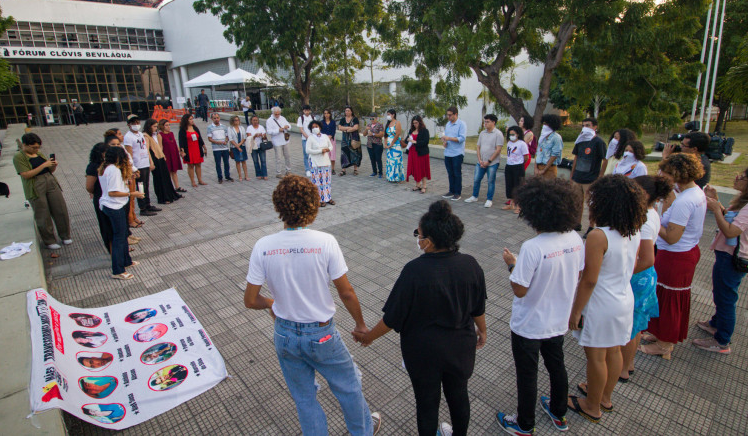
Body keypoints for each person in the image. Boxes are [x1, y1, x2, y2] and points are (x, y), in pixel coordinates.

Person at [244, 175, 382, 435]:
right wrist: (361, 324)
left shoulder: (263, 246)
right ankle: (363, 430)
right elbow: (347, 292)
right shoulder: (325, 242)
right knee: (348, 388)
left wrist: (273, 302)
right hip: (322, 334)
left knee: (304, 398)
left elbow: (250, 300)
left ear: (279, 206)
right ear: (313, 206)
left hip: (284, 334)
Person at [355, 200, 486, 436]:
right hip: (460, 348)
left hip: (423, 352)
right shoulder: (470, 264)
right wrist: (483, 331)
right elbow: (477, 308)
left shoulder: (414, 271)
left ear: (429, 241)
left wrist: (369, 337)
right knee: (459, 396)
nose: (417, 238)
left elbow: (392, 318)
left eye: (419, 234)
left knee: (427, 403)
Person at [496, 177, 583, 436]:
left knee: (528, 375)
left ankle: (524, 424)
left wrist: (513, 265)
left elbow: (520, 289)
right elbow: (575, 275)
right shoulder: (576, 239)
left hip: (529, 325)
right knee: (557, 366)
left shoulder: (533, 248)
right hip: (558, 321)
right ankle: (559, 413)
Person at [567, 175, 646, 424]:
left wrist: (576, 311)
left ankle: (591, 406)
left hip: (601, 304)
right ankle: (604, 397)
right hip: (624, 299)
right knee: (613, 351)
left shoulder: (598, 236)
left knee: (596, 357)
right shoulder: (633, 230)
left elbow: (589, 280)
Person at [694, 168, 748, 354]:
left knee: (726, 299)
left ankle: (722, 341)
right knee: (722, 293)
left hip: (733, 257)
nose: (737, 178)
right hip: (728, 254)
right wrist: (718, 204)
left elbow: (731, 231)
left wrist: (715, 210)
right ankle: (716, 324)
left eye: (743, 178)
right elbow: (732, 220)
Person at [642, 153, 706, 359]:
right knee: (662, 295)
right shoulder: (692, 194)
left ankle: (665, 344)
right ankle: (659, 332)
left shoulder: (685, 201)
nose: (663, 176)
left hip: (677, 256)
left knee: (671, 300)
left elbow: (671, 237)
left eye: (667, 173)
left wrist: (653, 221)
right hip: (679, 253)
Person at [619, 175, 671, 381]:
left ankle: (622, 368)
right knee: (636, 323)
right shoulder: (649, 212)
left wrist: (623, 274)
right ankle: (628, 364)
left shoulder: (646, 220)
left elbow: (648, 258)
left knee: (631, 325)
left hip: (638, 276)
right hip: (642, 275)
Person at [14, 133, 71, 250]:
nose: (36, 149)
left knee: (59, 208)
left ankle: (65, 235)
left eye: (37, 147)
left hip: (49, 181)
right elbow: (25, 175)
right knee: (42, 212)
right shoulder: (19, 157)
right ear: (24, 145)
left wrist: (52, 165)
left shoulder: (38, 154)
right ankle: (49, 240)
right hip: (35, 185)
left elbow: (50, 170)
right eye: (33, 147)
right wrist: (43, 165)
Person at [98, 146, 142, 280]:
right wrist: (131, 193)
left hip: (115, 205)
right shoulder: (114, 170)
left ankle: (126, 261)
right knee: (118, 237)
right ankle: (117, 270)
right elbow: (113, 192)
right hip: (114, 206)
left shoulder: (107, 168)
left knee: (123, 234)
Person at [570, 117, 607, 229]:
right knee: (576, 202)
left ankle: (591, 226)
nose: (585, 128)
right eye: (583, 125)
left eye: (588, 125)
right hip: (577, 177)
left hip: (590, 178)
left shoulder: (598, 142)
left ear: (595, 127)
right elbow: (576, 157)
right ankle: (577, 224)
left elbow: (605, 159)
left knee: (590, 204)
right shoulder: (580, 140)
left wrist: (600, 175)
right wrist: (572, 174)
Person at [123, 115, 161, 217]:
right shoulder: (128, 137)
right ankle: (143, 208)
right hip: (137, 165)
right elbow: (129, 153)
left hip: (145, 163)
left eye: (137, 122)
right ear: (129, 124)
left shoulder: (140, 134)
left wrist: (150, 162)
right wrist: (132, 168)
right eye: (133, 123)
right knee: (140, 187)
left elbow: (145, 149)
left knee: (146, 185)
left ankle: (148, 204)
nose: (136, 125)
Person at [465, 114, 504, 208]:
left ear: (493, 122)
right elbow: (478, 147)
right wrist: (480, 159)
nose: (485, 123)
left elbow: (498, 150)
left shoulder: (498, 134)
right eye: (484, 121)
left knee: (491, 181)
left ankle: (489, 199)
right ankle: (474, 196)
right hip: (481, 162)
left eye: (487, 122)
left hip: (492, 163)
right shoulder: (482, 133)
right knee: (476, 179)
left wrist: (489, 161)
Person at [143, 119, 182, 204]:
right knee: (159, 179)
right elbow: (147, 150)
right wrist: (151, 162)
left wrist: (163, 155)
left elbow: (159, 147)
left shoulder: (155, 135)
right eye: (154, 126)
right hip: (154, 159)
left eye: (156, 126)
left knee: (166, 177)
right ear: (149, 126)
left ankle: (170, 194)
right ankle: (162, 198)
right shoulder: (146, 136)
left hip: (160, 157)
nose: (155, 128)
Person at [85, 143, 113, 252]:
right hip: (101, 198)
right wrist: (96, 193)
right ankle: (111, 250)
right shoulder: (93, 166)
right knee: (106, 225)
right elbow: (89, 186)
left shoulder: (109, 164)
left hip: (111, 198)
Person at [305, 120, 336, 206]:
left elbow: (331, 146)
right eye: (313, 127)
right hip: (315, 162)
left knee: (327, 181)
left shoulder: (325, 136)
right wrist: (320, 151)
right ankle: (319, 199)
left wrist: (327, 149)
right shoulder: (310, 138)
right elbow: (307, 150)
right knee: (317, 181)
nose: (315, 128)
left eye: (316, 126)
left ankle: (328, 197)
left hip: (325, 161)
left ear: (320, 127)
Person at [441, 106, 467, 200]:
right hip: (448, 152)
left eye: (450, 115)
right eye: (447, 115)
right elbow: (446, 136)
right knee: (450, 173)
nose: (448, 117)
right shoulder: (448, 124)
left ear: (455, 114)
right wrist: (445, 141)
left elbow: (462, 138)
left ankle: (457, 192)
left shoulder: (461, 124)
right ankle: (451, 191)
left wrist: (450, 139)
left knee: (457, 173)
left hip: (457, 153)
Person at [501, 125, 529, 213]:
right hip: (509, 166)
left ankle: (519, 206)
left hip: (518, 166)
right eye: (510, 134)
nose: (511, 136)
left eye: (513, 134)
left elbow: (526, 157)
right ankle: (511, 204)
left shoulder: (522, 144)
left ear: (518, 134)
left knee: (518, 186)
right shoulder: (509, 143)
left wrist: (520, 163)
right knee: (510, 185)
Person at [178, 113, 208, 187]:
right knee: (190, 165)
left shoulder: (195, 128)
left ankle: (200, 180)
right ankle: (193, 181)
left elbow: (200, 138)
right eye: (190, 119)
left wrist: (204, 147)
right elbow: (181, 141)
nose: (192, 120)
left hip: (197, 148)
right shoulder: (182, 130)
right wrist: (182, 151)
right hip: (189, 149)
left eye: (192, 119)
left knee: (198, 164)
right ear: (186, 120)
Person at [157, 118, 186, 193]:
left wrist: (180, 151)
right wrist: (162, 156)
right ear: (162, 126)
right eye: (166, 125)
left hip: (174, 154)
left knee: (174, 171)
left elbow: (175, 144)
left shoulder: (171, 133)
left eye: (169, 125)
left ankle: (177, 187)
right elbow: (160, 147)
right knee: (168, 172)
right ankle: (169, 188)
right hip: (167, 155)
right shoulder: (160, 135)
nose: (168, 126)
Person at [405, 115, 431, 194]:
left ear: (420, 122)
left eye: (416, 123)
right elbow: (407, 139)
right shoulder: (411, 130)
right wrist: (407, 140)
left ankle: (424, 186)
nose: (415, 125)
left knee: (422, 169)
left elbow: (425, 142)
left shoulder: (424, 131)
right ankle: (418, 184)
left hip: (421, 153)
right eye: (413, 123)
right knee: (415, 168)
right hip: (412, 152)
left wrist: (415, 142)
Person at [266, 106, 292, 178]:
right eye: (276, 114)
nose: (277, 115)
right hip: (277, 141)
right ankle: (278, 172)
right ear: (273, 113)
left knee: (288, 156)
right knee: (278, 157)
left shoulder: (282, 118)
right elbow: (269, 131)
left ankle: (288, 170)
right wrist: (278, 130)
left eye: (278, 114)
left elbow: (289, 126)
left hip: (285, 140)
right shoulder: (269, 120)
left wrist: (287, 126)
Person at [534, 114, 563, 179]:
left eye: (546, 124)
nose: (544, 125)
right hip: (539, 166)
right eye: (543, 123)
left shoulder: (556, 138)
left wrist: (544, 170)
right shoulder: (542, 137)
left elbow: (554, 155)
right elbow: (538, 153)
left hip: (549, 168)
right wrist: (535, 168)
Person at [207, 113, 232, 183]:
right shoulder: (210, 127)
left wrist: (226, 141)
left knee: (226, 163)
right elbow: (209, 138)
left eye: (217, 118)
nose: (216, 119)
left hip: (225, 148)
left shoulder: (224, 126)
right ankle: (220, 177)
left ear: (219, 118)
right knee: (218, 163)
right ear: (212, 119)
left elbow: (227, 136)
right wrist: (217, 142)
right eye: (214, 118)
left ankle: (227, 175)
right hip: (216, 148)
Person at [339, 106, 362, 176]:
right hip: (345, 140)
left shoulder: (355, 119)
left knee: (355, 153)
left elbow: (356, 127)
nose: (347, 112)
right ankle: (343, 169)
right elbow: (340, 128)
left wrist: (346, 129)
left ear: (351, 111)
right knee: (344, 153)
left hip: (354, 139)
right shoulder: (343, 119)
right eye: (346, 111)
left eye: (348, 110)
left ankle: (355, 169)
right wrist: (348, 128)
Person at [383, 109, 405, 183]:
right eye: (387, 114)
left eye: (389, 114)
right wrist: (385, 144)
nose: (388, 116)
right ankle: (390, 177)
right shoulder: (388, 124)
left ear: (393, 114)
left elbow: (397, 134)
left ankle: (397, 177)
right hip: (389, 145)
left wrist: (392, 144)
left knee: (396, 160)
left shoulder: (397, 123)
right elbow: (385, 135)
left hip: (395, 145)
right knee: (390, 161)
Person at [229, 115, 250, 181]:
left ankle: (246, 176)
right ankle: (240, 176)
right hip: (235, 147)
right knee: (237, 161)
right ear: (232, 121)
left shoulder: (242, 128)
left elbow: (244, 137)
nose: (237, 121)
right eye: (235, 120)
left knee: (244, 161)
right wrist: (237, 146)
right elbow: (230, 139)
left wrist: (240, 144)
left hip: (242, 145)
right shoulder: (230, 128)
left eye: (238, 120)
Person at [248, 115, 269, 180]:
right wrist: (254, 136)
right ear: (251, 121)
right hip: (253, 146)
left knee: (263, 160)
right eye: (254, 120)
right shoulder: (249, 128)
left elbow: (265, 136)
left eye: (256, 120)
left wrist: (262, 135)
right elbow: (249, 137)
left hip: (261, 146)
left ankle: (264, 174)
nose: (255, 121)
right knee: (255, 161)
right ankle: (258, 174)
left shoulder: (261, 127)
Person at [365, 113, 385, 178]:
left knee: (378, 159)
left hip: (377, 144)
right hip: (370, 145)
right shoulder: (369, 125)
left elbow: (381, 134)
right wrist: (366, 129)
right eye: (370, 118)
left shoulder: (380, 125)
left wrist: (373, 134)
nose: (372, 120)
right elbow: (364, 134)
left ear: (376, 118)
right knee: (372, 159)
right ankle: (374, 171)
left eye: (373, 118)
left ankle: (380, 173)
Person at [298, 104, 314, 176]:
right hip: (305, 139)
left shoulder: (313, 117)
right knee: (306, 154)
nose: (307, 112)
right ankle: (307, 169)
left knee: (313, 153)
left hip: (313, 139)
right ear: (303, 111)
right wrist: (307, 136)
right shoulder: (301, 118)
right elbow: (301, 129)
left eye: (308, 110)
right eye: (305, 111)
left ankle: (312, 168)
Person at [321, 109, 337, 174]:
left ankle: (333, 169)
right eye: (325, 113)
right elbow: (321, 131)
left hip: (332, 140)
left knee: (332, 154)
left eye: (327, 113)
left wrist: (331, 136)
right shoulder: (322, 122)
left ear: (330, 114)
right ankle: (326, 168)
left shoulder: (333, 122)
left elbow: (334, 130)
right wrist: (325, 137)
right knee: (325, 154)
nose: (326, 115)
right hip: (324, 140)